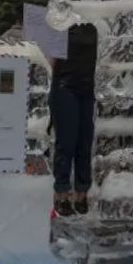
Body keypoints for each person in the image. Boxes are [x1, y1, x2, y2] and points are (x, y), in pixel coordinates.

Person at [49, 23, 97, 217]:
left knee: (85, 142)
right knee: (67, 142)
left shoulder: (96, 25)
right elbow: (50, 58)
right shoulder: (60, 25)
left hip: (88, 88)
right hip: (65, 86)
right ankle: (61, 193)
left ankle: (82, 193)